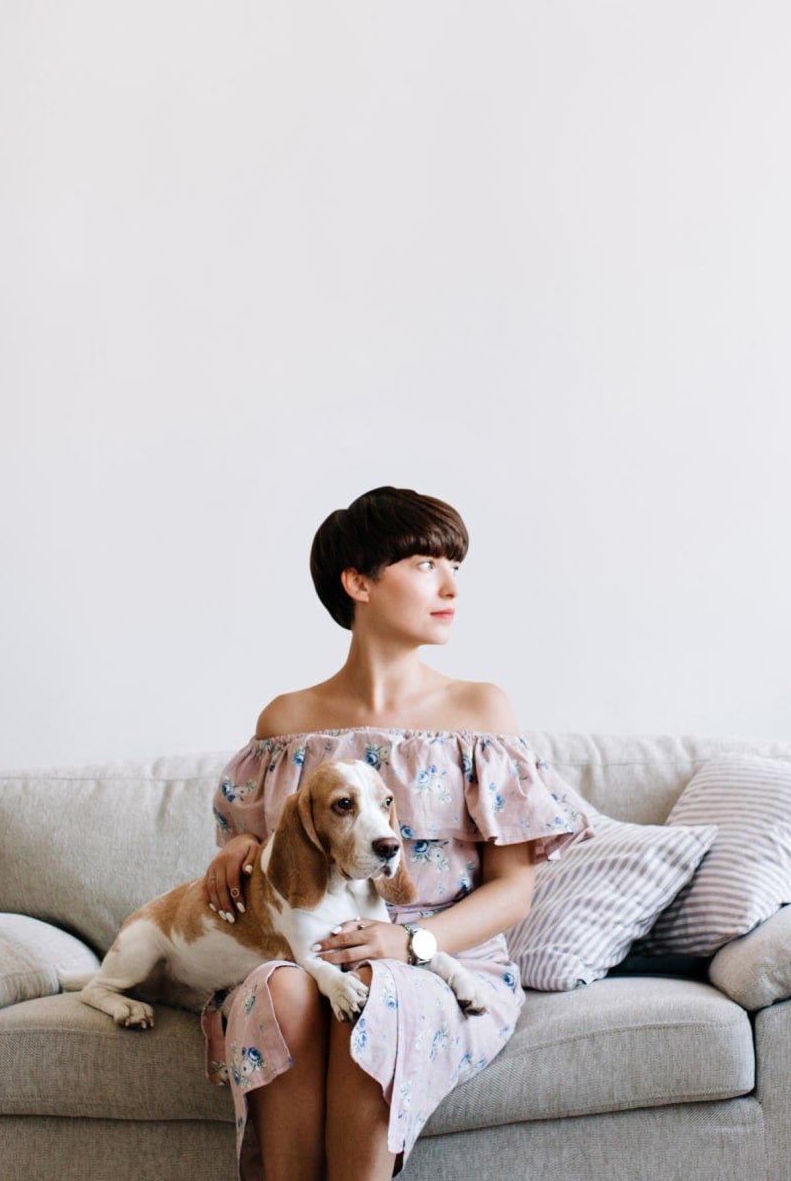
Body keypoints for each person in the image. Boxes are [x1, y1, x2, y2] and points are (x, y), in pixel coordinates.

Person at [199, 485, 591, 1181]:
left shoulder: (480, 711)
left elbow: (514, 892)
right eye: (425, 564)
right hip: (313, 948)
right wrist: (238, 850)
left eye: (455, 567)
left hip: (442, 960)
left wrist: (410, 943)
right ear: (359, 583)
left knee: (377, 988)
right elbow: (268, 849)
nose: (451, 587)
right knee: (279, 989)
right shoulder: (285, 723)